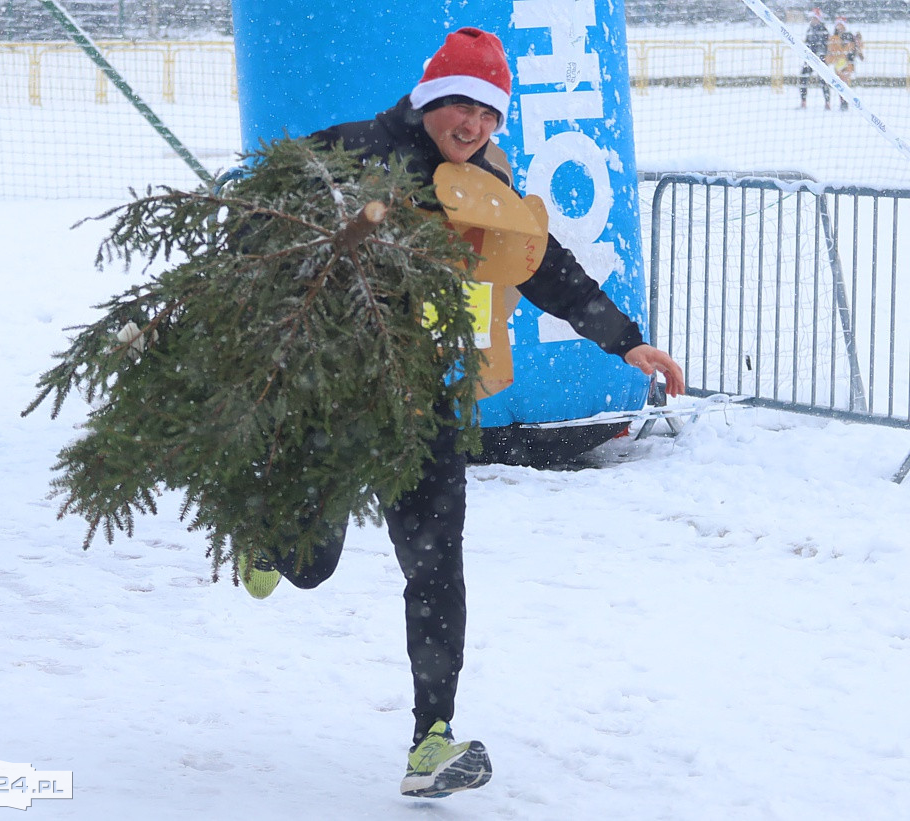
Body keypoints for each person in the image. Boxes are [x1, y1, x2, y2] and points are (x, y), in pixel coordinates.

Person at [237, 26, 685, 799]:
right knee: (312, 566)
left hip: (429, 399)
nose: (472, 127)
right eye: (461, 108)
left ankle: (430, 741)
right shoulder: (350, 153)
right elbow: (257, 216)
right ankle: (269, 532)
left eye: (488, 115)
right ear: (430, 99)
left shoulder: (487, 181)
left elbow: (545, 268)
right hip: (343, 393)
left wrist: (627, 343)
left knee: (437, 566)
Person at [827, 16, 864, 111]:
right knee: (841, 84)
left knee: (845, 83)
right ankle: (843, 101)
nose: (839, 27)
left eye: (841, 25)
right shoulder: (833, 38)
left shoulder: (850, 36)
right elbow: (832, 51)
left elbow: (856, 48)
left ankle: (845, 102)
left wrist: (858, 43)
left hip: (848, 63)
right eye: (838, 25)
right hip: (839, 64)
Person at [800, 7, 831, 110]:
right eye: (812, 18)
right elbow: (807, 43)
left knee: (824, 82)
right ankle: (803, 101)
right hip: (809, 59)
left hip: (820, 60)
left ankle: (827, 103)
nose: (813, 20)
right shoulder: (809, 29)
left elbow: (827, 45)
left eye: (815, 18)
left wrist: (822, 57)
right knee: (803, 78)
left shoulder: (824, 30)